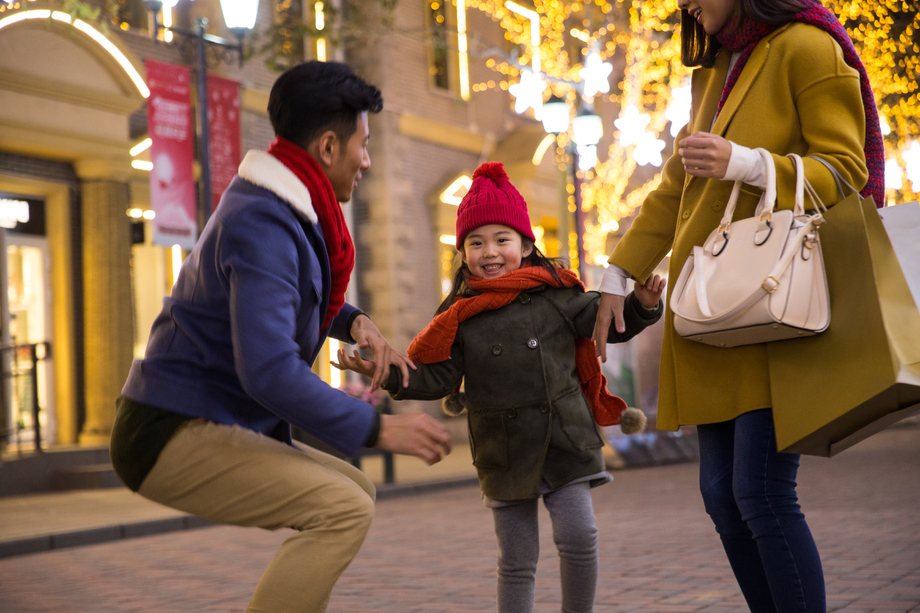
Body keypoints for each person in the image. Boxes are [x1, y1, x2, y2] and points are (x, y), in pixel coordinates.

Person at [110, 61, 452, 613]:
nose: (367, 159)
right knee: (344, 509)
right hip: (168, 429)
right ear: (326, 146)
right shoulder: (264, 221)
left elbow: (295, 292)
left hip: (204, 417)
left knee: (355, 496)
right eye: (361, 145)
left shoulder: (286, 210)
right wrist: (377, 429)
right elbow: (268, 370)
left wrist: (354, 319)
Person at [592, 1, 884, 611]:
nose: (685, 4)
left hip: (778, 308)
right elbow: (677, 186)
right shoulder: (715, 66)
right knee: (723, 496)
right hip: (715, 310)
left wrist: (748, 164)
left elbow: (848, 173)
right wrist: (618, 272)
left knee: (761, 491)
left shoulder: (808, 46)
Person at [334, 161, 665, 613]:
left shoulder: (558, 294)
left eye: (501, 239)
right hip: (503, 450)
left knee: (579, 536)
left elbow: (607, 321)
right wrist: (387, 370)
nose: (489, 251)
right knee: (516, 558)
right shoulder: (459, 315)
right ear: (463, 250)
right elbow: (437, 376)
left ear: (527, 245)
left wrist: (641, 305)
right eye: (476, 242)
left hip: (564, 440)